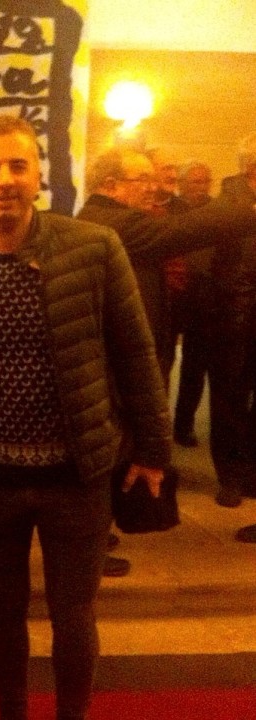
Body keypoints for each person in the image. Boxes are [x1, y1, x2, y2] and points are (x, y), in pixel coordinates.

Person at [0, 116, 171, 720]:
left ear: (38, 175)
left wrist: (154, 449)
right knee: (2, 615)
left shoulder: (94, 247)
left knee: (73, 616)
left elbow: (135, 351)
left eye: (18, 165)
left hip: (76, 475)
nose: (5, 180)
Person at [77, 146, 256, 511]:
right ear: (111, 185)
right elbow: (184, 230)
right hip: (115, 360)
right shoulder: (111, 222)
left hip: (122, 354)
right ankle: (96, 525)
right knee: (112, 444)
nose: (154, 187)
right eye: (142, 179)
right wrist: (244, 197)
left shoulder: (108, 217)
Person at [215, 132, 256, 539]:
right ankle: (230, 475)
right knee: (230, 397)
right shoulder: (229, 202)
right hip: (234, 313)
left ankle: (251, 472)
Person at [169, 161, 216, 447]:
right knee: (162, 363)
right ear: (182, 184)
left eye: (206, 181)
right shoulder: (170, 210)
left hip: (203, 298)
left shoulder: (215, 211)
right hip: (173, 296)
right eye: (196, 182)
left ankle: (183, 424)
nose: (201, 187)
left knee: (195, 366)